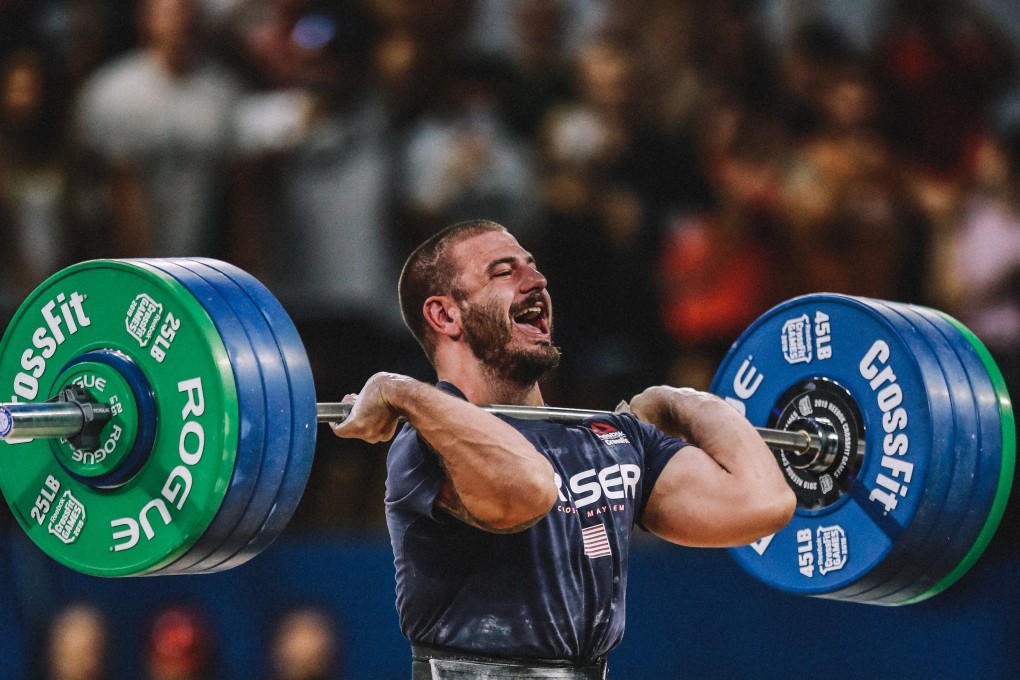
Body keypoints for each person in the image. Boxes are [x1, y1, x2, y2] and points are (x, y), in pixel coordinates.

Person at [331, 219, 795, 678]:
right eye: (503, 272)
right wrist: (402, 391)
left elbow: (762, 503)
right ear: (445, 315)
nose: (537, 281)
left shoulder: (608, 439)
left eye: (532, 267)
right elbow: (528, 491)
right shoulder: (426, 442)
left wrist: (682, 401)